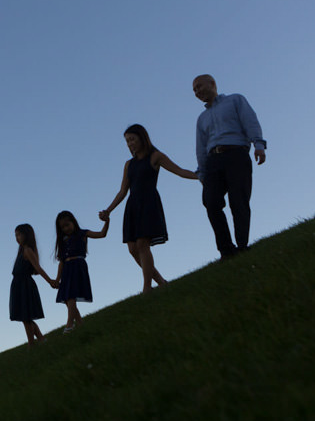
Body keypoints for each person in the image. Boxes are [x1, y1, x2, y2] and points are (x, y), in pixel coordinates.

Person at [100, 124, 199, 293]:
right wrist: (108, 210)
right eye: (127, 141)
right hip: (132, 205)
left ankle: (147, 287)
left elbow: (179, 171)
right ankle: (160, 281)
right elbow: (123, 190)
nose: (130, 143)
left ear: (142, 137)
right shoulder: (128, 164)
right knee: (132, 249)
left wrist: (200, 176)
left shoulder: (155, 156)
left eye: (132, 139)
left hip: (149, 203)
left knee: (142, 244)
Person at [192, 74, 266, 258]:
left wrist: (258, 145)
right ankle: (226, 249)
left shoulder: (235, 100)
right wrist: (202, 173)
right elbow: (200, 147)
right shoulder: (201, 119)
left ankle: (242, 245)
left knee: (238, 200)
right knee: (211, 202)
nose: (197, 92)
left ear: (212, 84)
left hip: (236, 154)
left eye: (199, 87)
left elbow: (250, 121)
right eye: (194, 90)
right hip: (213, 161)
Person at [53, 210, 108, 333]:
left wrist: (107, 222)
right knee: (67, 297)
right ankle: (79, 322)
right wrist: (57, 279)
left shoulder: (82, 233)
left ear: (73, 222)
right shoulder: (63, 241)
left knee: (71, 295)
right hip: (67, 268)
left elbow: (101, 234)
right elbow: (61, 261)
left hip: (77, 265)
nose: (66, 228)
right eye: (62, 227)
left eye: (67, 224)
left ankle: (69, 324)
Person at [10, 224, 58, 346]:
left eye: (19, 234)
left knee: (26, 317)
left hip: (24, 285)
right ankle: (41, 339)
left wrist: (50, 281)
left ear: (27, 235)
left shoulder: (27, 251)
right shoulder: (22, 252)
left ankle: (31, 344)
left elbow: (38, 268)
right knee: (25, 317)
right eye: (15, 235)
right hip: (18, 285)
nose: (17, 238)